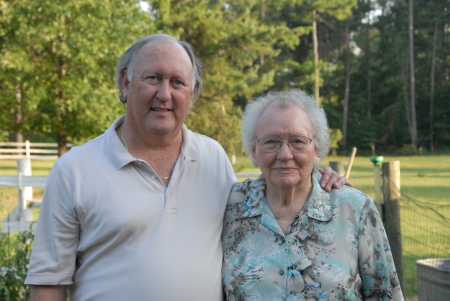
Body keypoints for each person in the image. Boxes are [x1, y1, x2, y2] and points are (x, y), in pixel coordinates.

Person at [25, 34, 347, 301]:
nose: (164, 94)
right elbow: (47, 285)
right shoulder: (74, 171)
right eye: (153, 78)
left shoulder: (212, 157)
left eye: (177, 82)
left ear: (192, 94)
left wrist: (314, 179)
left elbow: (266, 202)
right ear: (126, 83)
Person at [222, 89, 404, 300]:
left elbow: (385, 295)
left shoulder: (354, 209)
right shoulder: (229, 207)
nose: (285, 154)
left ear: (316, 148)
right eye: (271, 141)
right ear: (254, 150)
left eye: (297, 141)